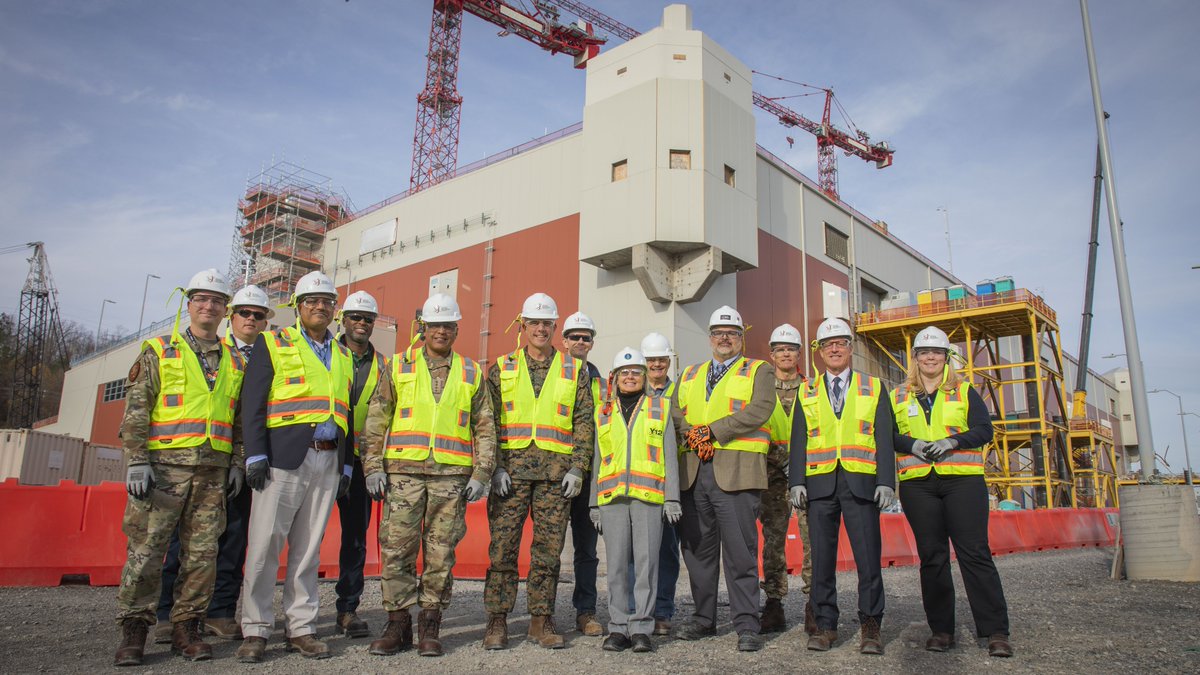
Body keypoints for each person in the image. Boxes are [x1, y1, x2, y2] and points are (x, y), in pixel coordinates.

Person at [114, 269, 247, 666]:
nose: (209, 306)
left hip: (212, 473)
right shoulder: (160, 350)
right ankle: (135, 630)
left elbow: (238, 419)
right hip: (163, 471)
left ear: (225, 310)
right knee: (147, 551)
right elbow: (137, 410)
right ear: (189, 304)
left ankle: (186, 628)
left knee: (202, 554)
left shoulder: (234, 359)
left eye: (217, 301)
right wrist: (137, 461)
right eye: (201, 299)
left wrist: (237, 461)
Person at [363, 293, 496, 657]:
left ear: (456, 329)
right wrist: (372, 466)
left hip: (450, 478)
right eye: (434, 325)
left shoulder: (471, 372)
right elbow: (377, 418)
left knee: (440, 554)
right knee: (397, 550)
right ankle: (397, 624)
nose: (441, 331)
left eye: (447, 325)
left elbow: (485, 427)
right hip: (403, 474)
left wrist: (481, 472)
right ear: (423, 328)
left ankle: (430, 625)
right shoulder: (399, 366)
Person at [236, 271, 354, 662]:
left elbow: (347, 412)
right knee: (264, 545)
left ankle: (300, 627)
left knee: (307, 550)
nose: (320, 307)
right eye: (312, 301)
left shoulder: (342, 353)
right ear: (298, 307)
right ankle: (255, 629)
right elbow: (252, 402)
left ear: (334, 309)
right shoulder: (272, 342)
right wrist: (255, 454)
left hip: (327, 458)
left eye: (327, 302)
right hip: (283, 459)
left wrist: (347, 465)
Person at [154, 284, 271, 644]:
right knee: (183, 540)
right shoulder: (214, 354)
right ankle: (167, 613)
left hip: (242, 462)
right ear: (230, 315)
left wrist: (244, 459)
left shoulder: (273, 354)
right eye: (244, 312)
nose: (250, 319)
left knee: (234, 538)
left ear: (266, 321)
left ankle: (220, 611)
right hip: (197, 461)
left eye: (258, 314)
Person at [482, 293, 595, 650]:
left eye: (547, 323)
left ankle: (540, 620)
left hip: (555, 477)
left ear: (554, 327)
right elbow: (490, 421)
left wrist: (578, 466)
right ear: (523, 326)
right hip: (510, 477)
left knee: (547, 553)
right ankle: (497, 621)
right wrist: (494, 467)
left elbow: (583, 421)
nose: (541, 329)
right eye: (535, 323)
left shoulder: (573, 369)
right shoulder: (502, 367)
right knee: (502, 550)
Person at [891, 326, 1012, 657]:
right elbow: (885, 434)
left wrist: (952, 441)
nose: (931, 357)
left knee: (974, 553)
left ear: (946, 357)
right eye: (924, 353)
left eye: (937, 353)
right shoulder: (898, 395)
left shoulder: (964, 390)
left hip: (962, 482)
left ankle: (995, 632)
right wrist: (912, 443)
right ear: (915, 358)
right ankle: (942, 630)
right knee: (932, 558)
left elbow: (984, 430)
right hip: (918, 485)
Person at [788, 318, 896, 655]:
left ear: (850, 348)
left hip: (861, 484)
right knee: (821, 559)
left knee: (867, 558)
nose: (835, 348)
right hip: (820, 485)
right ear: (819, 353)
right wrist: (796, 482)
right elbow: (799, 439)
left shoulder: (873, 387)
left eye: (841, 343)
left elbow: (884, 436)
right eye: (828, 344)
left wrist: (886, 482)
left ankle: (871, 627)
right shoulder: (806, 391)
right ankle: (825, 625)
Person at [671, 305, 774, 652]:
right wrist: (691, 433)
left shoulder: (758, 370)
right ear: (710, 338)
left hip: (737, 475)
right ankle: (703, 619)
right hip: (694, 475)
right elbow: (674, 411)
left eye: (731, 333)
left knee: (740, 553)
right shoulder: (688, 374)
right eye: (718, 333)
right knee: (698, 550)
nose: (724, 338)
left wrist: (713, 431)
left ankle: (746, 623)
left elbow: (760, 408)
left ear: (741, 338)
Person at [590, 348, 681, 654]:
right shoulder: (602, 412)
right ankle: (617, 627)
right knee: (615, 566)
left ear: (644, 377)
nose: (630, 377)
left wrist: (672, 498)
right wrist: (593, 503)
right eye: (624, 372)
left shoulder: (661, 407)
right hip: (612, 499)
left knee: (646, 564)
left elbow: (670, 455)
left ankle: (642, 626)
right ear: (614, 378)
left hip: (649, 498)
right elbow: (597, 459)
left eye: (636, 372)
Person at [333, 290, 386, 639]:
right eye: (356, 317)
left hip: (361, 460)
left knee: (355, 539)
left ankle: (347, 609)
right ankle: (299, 614)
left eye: (368, 319)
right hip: (322, 454)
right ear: (344, 320)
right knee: (303, 535)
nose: (362, 323)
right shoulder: (325, 353)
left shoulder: (383, 364)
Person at [760, 323, 814, 634]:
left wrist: (800, 464)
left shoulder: (811, 388)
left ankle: (813, 603)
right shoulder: (761, 389)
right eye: (780, 349)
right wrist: (782, 459)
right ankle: (774, 604)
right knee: (774, 541)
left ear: (798, 353)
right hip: (772, 475)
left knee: (811, 538)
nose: (785, 353)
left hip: (806, 475)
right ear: (772, 354)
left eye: (791, 349)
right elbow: (756, 425)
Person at [561, 311, 604, 638]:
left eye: (585, 337)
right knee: (546, 549)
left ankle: (585, 612)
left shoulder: (601, 381)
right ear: (564, 341)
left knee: (587, 550)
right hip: (554, 474)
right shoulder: (552, 375)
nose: (579, 342)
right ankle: (542, 612)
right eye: (574, 336)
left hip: (589, 477)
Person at [637, 331, 680, 636]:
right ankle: (637, 609)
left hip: (669, 482)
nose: (656, 364)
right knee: (636, 552)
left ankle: (662, 611)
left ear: (668, 361)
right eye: (651, 360)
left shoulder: (679, 394)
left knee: (666, 550)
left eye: (661, 359)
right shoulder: (631, 394)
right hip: (639, 481)